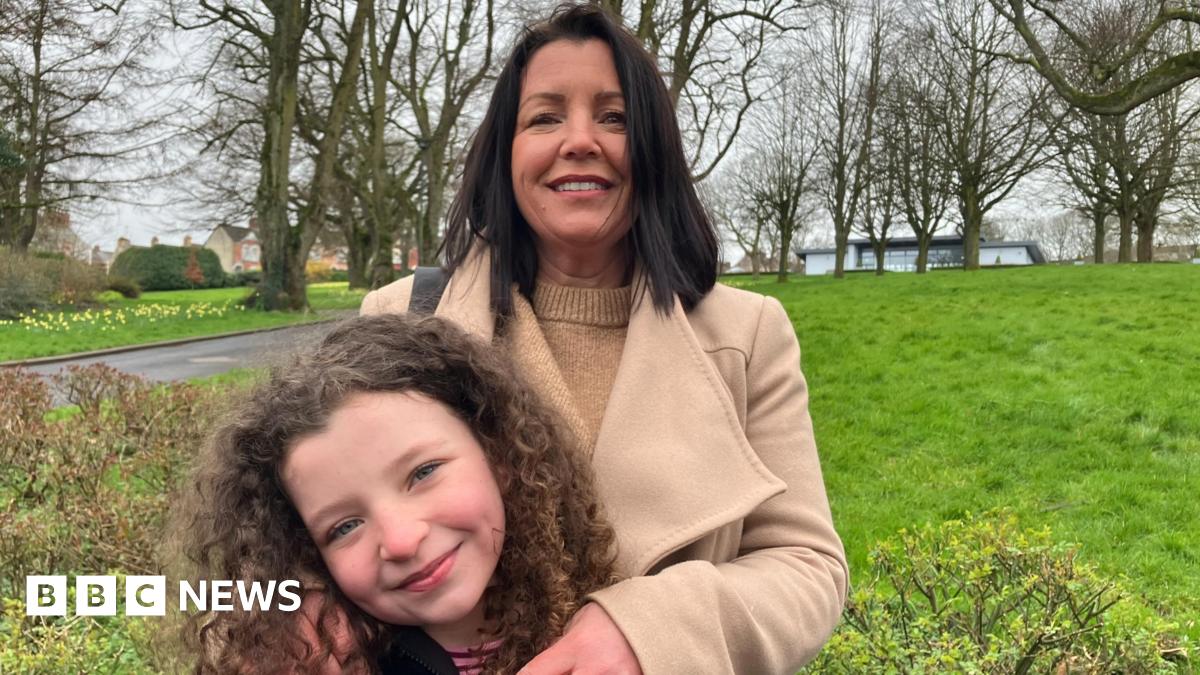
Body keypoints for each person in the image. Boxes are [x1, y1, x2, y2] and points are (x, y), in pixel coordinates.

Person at [360, 3, 848, 674]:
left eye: (614, 118)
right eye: (545, 117)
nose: (580, 140)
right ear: (505, 152)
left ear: (653, 151)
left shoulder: (748, 335)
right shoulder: (400, 320)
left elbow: (808, 567)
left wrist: (648, 633)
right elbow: (307, 539)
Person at [180, 314, 618, 674]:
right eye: (345, 527)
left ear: (498, 454)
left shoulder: (609, 629)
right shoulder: (324, 663)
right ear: (306, 552)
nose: (402, 541)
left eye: (423, 473)